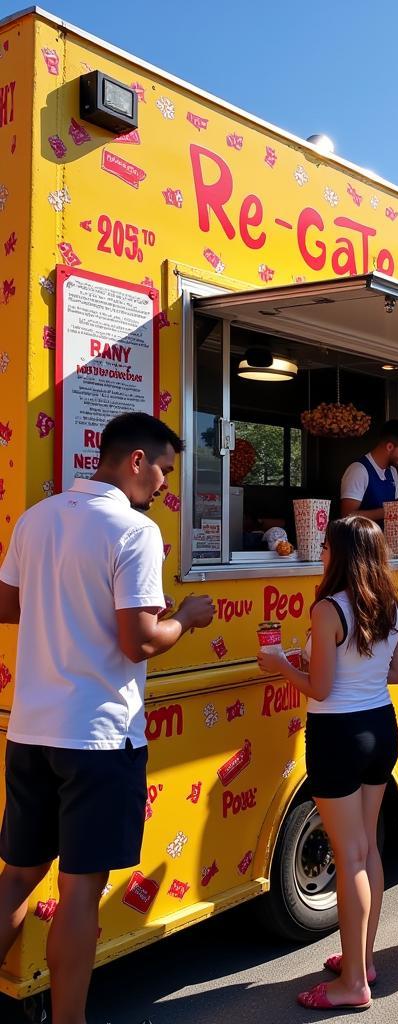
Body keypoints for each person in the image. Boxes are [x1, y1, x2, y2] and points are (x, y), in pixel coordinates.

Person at [0, 412, 215, 1024]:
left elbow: (6, 605)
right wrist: (186, 617)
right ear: (137, 462)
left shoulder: (37, 518)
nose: (167, 486)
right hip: (97, 737)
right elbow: (140, 641)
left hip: (29, 729)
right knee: (80, 891)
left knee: (16, 876)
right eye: (165, 472)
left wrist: (61, 605)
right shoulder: (134, 530)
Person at [258, 516, 398, 1010]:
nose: (319, 552)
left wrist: (281, 666)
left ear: (340, 554)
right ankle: (362, 959)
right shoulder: (390, 605)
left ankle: (355, 985)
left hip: (338, 735)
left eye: (324, 546)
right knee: (368, 850)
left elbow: (320, 689)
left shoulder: (328, 609)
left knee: (350, 857)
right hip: (381, 728)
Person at [339, 419, 398, 522]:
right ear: (390, 447)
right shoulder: (359, 470)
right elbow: (347, 516)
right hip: (362, 537)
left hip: (386, 538)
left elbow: (395, 506)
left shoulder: (393, 472)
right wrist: (386, 512)